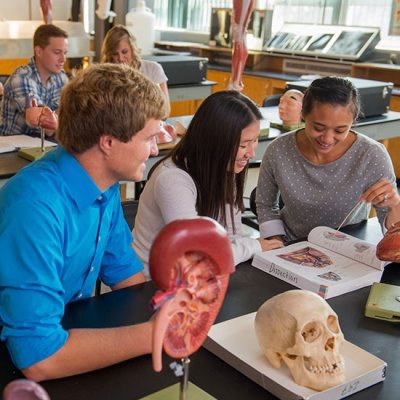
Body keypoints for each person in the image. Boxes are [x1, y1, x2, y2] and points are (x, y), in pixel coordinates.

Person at [0, 63, 167, 381]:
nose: (155, 149)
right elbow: (38, 359)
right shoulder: (34, 207)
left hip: (65, 331)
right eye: (149, 138)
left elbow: (126, 277)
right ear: (108, 142)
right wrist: (151, 335)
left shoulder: (105, 182)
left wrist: (168, 307)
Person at [133, 90, 283, 279]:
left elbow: (231, 236)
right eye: (244, 145)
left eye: (255, 141)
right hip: (154, 284)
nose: (251, 153)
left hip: (198, 278)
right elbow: (197, 256)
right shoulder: (172, 179)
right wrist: (254, 245)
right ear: (215, 143)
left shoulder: (223, 169)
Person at [256, 76, 400, 242]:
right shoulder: (278, 149)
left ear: (353, 121)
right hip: (291, 243)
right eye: (318, 128)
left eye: (339, 131)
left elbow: (392, 236)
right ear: (303, 114)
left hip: (346, 248)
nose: (327, 139)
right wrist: (276, 243)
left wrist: (395, 204)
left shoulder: (371, 155)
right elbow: (266, 205)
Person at [0, 24, 69, 137]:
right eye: (57, 52)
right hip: (13, 151)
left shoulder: (61, 78)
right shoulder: (22, 78)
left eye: (65, 53)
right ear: (39, 51)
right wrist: (58, 120)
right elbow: (43, 123)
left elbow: (71, 113)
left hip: (46, 145)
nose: (63, 59)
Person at [101, 25, 171, 117]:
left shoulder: (153, 69)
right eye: (115, 54)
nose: (120, 58)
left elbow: (165, 112)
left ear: (132, 49)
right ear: (110, 55)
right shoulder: (105, 76)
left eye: (124, 52)